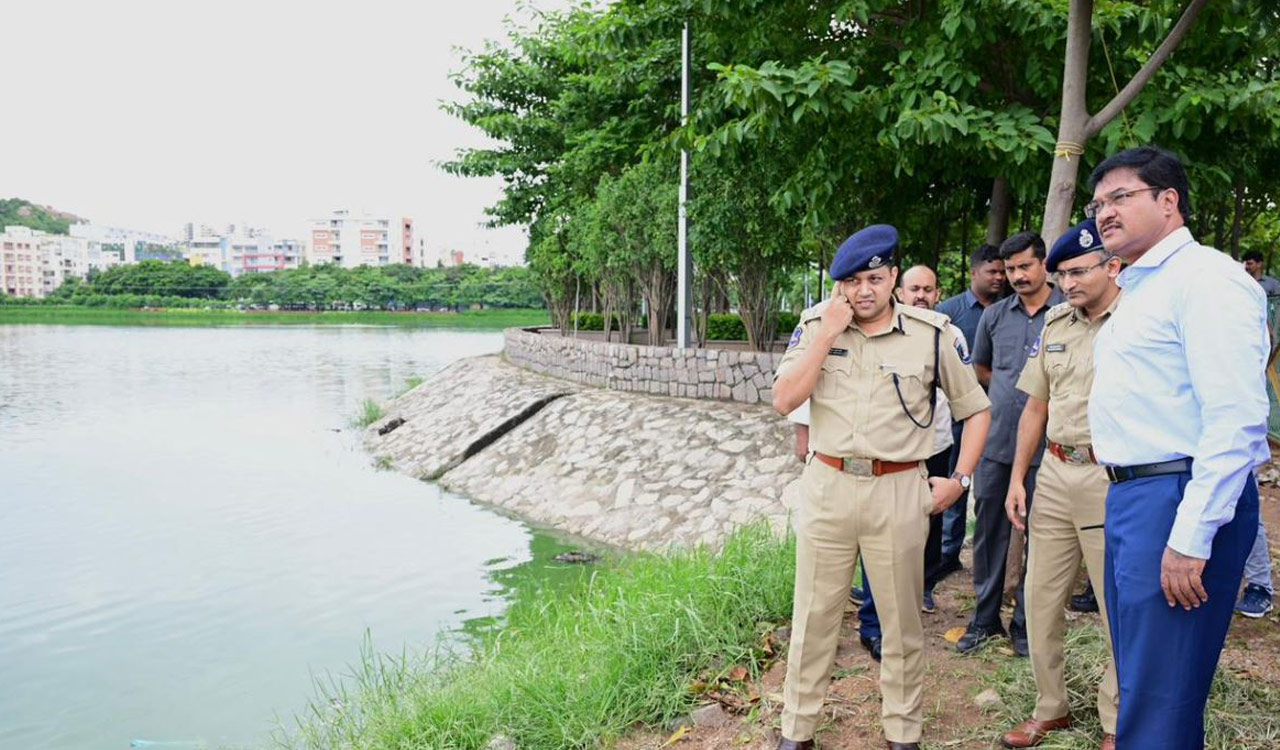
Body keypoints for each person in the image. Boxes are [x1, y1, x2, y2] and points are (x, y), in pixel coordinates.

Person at [772, 225, 992, 750]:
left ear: (893, 276)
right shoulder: (814, 327)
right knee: (814, 618)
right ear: (838, 287)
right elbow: (784, 400)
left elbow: (976, 410)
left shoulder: (933, 332)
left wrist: (959, 480)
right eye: (851, 282)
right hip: (827, 484)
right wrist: (826, 334)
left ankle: (902, 733)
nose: (863, 291)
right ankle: (797, 731)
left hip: (898, 489)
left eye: (874, 278)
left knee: (900, 622)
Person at [1088, 146, 1269, 748]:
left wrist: (1192, 536)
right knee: (1146, 680)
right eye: (1097, 204)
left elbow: (1236, 420)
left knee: (1163, 694)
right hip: (1137, 496)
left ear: (1169, 201)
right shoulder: (1143, 288)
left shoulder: (1207, 279)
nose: (1103, 213)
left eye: (1120, 197)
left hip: (1176, 496)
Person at [999, 219, 1119, 750]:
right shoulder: (1056, 326)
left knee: (1117, 606)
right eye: (1062, 274)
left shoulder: (1135, 322)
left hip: (1110, 476)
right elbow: (1035, 407)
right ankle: (1051, 708)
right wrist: (1018, 479)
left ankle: (1118, 719)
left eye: (1079, 272)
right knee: (1040, 598)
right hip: (1054, 473)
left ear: (1112, 266)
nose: (1068, 283)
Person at [960, 233, 1065, 656]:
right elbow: (982, 367)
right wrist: (1008, 393)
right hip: (997, 441)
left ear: (1044, 265)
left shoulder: (1067, 313)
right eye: (1009, 270)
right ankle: (985, 620)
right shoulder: (995, 316)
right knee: (988, 534)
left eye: (1025, 267)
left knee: (1044, 537)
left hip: (1052, 448)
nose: (1017, 276)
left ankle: (1026, 625)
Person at [856, 265, 967, 667]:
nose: (920, 295)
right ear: (899, 290)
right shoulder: (876, 333)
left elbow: (968, 403)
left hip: (934, 444)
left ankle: (920, 590)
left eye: (928, 289)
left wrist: (960, 473)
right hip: (889, 457)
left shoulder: (946, 334)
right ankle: (874, 621)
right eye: (914, 289)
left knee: (926, 528)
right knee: (879, 534)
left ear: (938, 294)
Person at [936, 245, 1006, 580]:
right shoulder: (947, 313)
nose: (999, 277)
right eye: (992, 271)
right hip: (958, 417)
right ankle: (948, 554)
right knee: (955, 482)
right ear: (974, 273)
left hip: (1003, 416)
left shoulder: (1009, 309)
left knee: (991, 490)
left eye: (1002, 272)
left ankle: (991, 558)